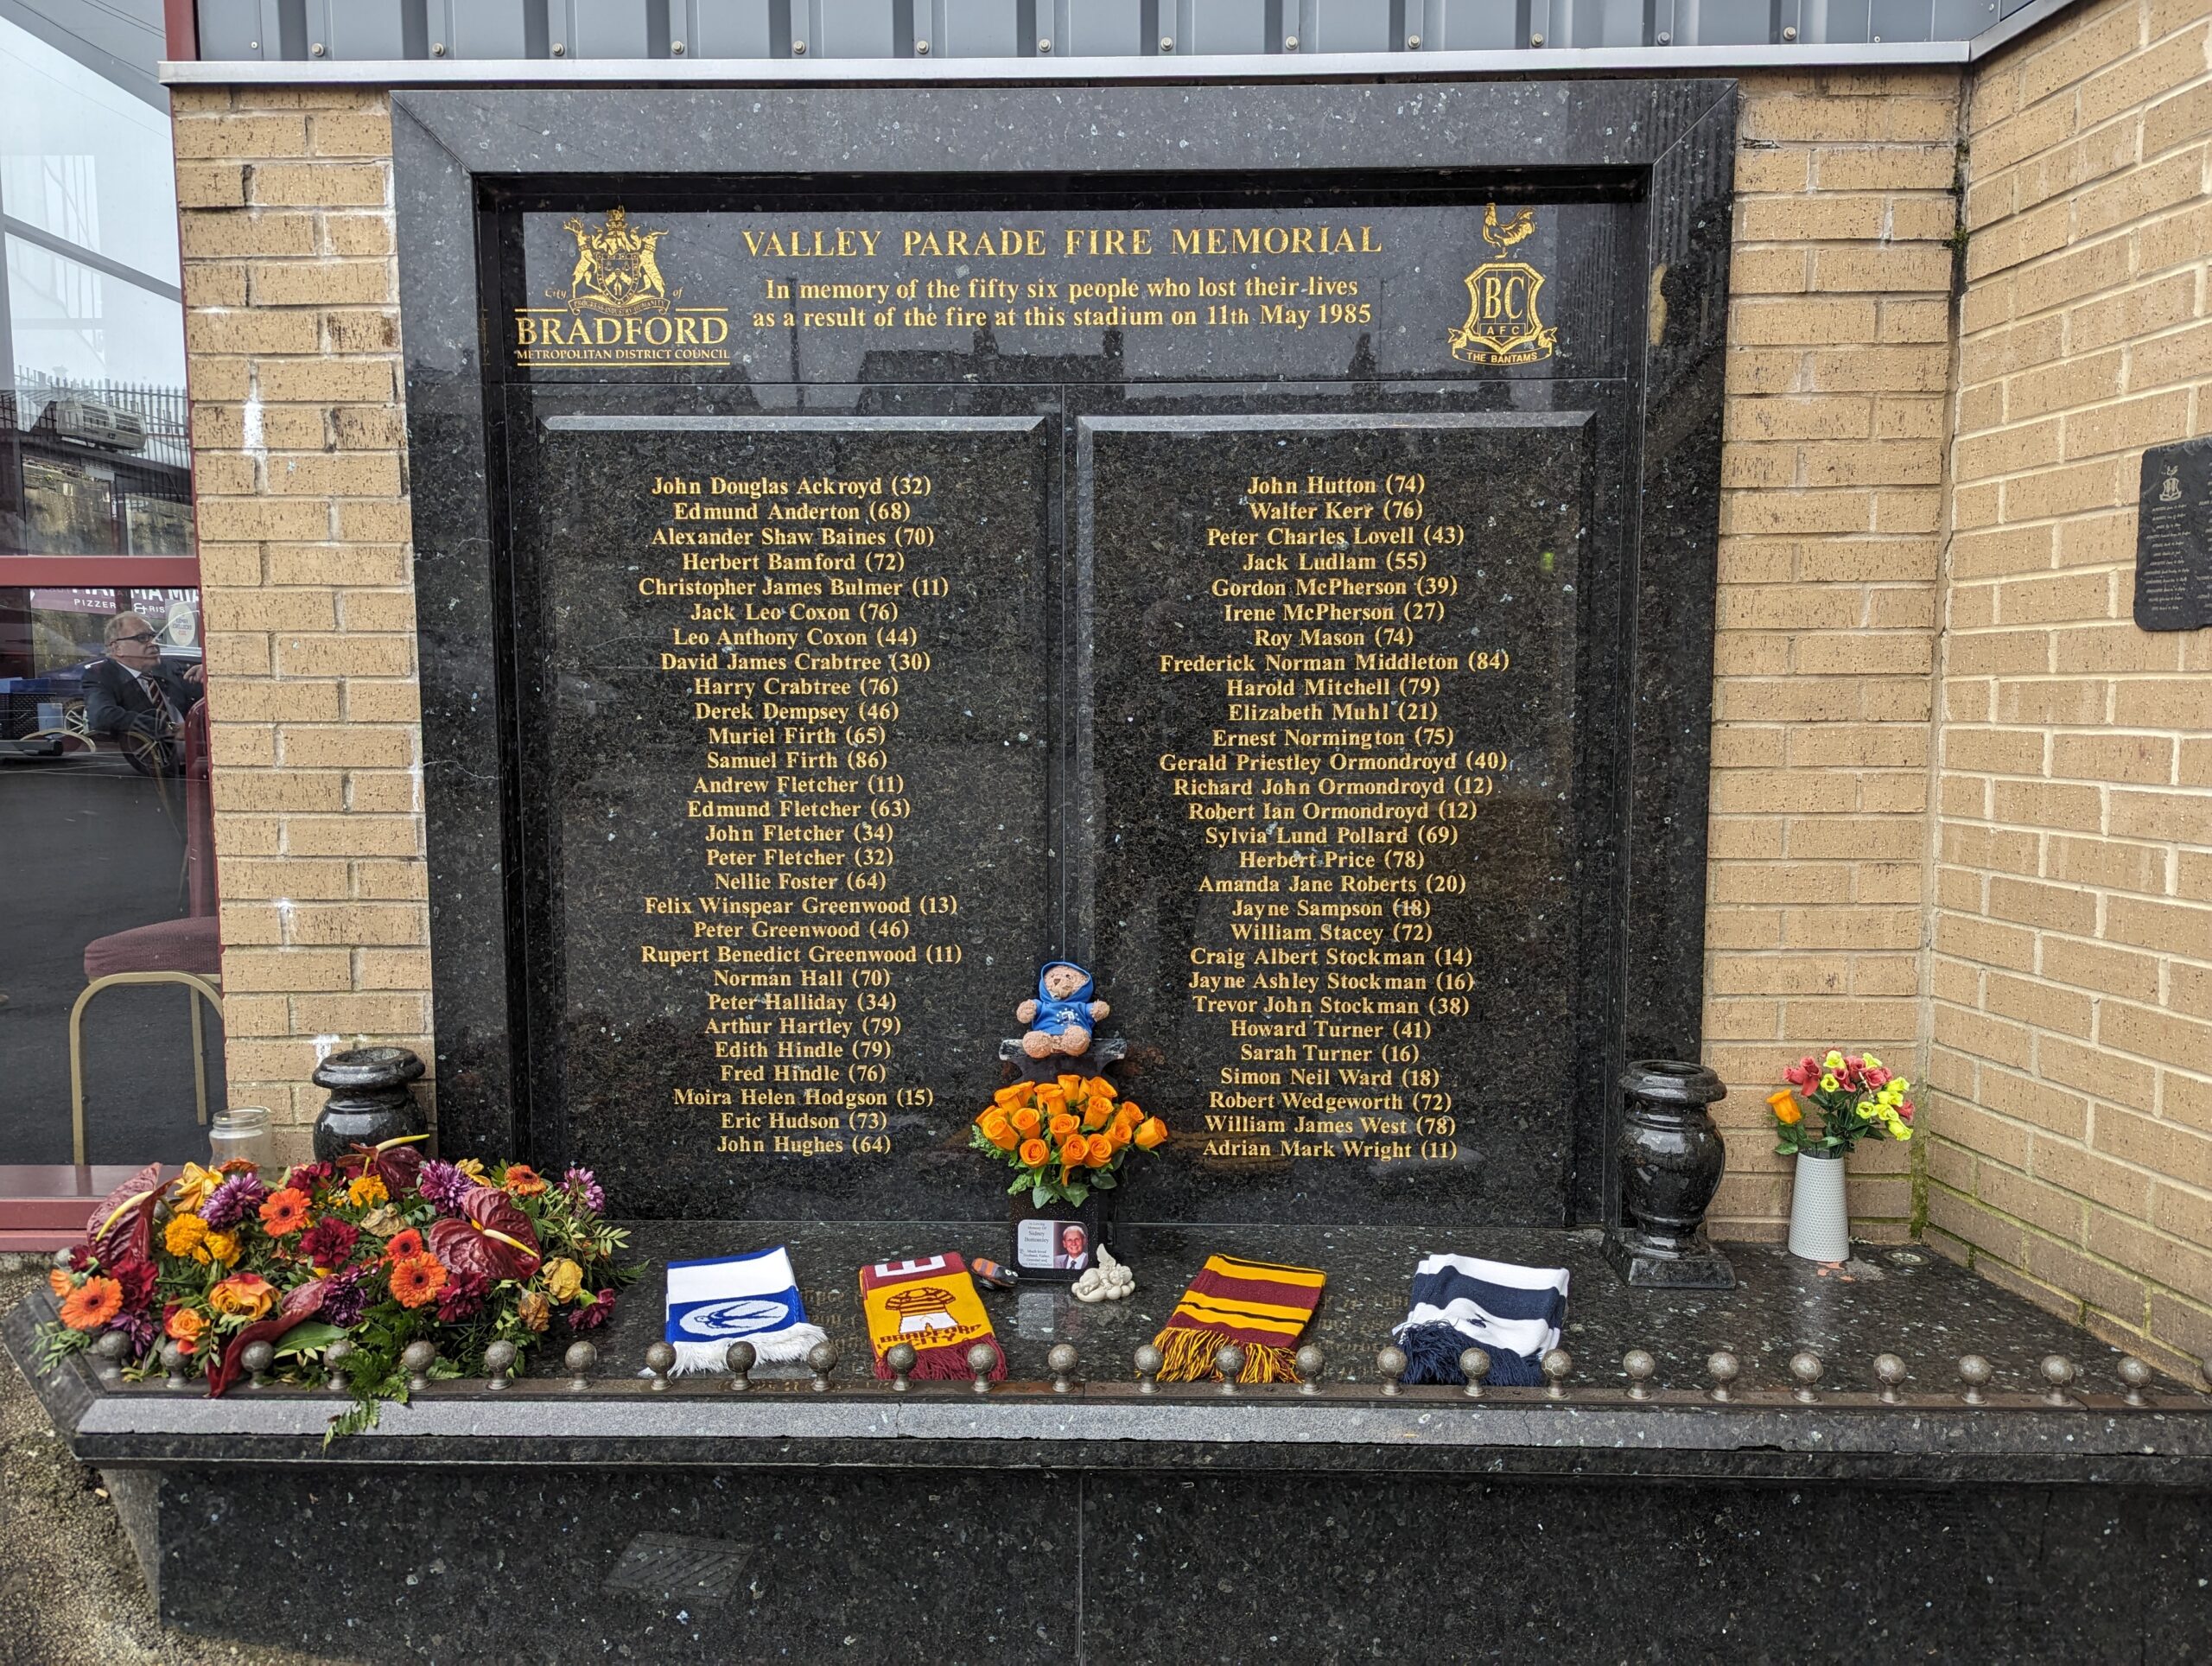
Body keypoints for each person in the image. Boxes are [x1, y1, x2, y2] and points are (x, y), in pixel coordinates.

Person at [84, 611, 202, 772]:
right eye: (142, 638)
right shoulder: (103, 675)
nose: (154, 643)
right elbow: (102, 716)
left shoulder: (167, 668)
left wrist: (208, 677)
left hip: (198, 763)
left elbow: (201, 701)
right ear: (117, 648)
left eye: (154, 636)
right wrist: (169, 729)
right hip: (153, 773)